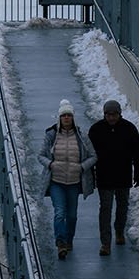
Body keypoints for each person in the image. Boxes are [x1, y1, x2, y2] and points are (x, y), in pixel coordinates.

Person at [87, 99, 139, 255]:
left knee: (122, 206)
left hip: (123, 176)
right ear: (104, 114)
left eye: (114, 114)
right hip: (104, 177)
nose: (111, 118)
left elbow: (138, 153)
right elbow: (89, 155)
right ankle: (105, 243)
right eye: (108, 114)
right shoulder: (96, 130)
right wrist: (91, 176)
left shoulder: (129, 129)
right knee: (105, 209)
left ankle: (119, 230)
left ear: (120, 114)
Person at [38, 100, 95, 260]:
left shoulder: (81, 137)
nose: (67, 118)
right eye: (64, 116)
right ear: (59, 118)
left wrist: (82, 167)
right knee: (59, 212)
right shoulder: (51, 135)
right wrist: (51, 164)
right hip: (57, 182)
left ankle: (69, 240)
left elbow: (93, 156)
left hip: (74, 183)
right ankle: (60, 242)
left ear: (73, 117)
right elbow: (40, 155)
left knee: (72, 215)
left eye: (69, 115)